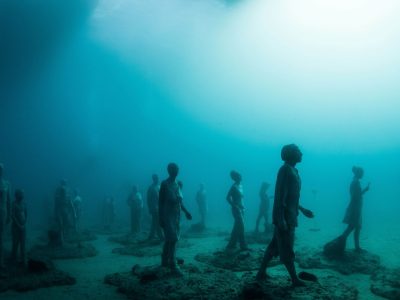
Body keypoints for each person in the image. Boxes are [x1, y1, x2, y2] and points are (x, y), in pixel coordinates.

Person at [256, 144, 314, 287]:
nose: (301, 153)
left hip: (290, 215)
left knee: (274, 245)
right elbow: (280, 196)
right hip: (285, 218)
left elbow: (291, 197)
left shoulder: (293, 170)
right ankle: (294, 279)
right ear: (291, 154)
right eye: (298, 151)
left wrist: (302, 209)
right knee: (287, 247)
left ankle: (261, 272)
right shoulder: (285, 170)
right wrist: (280, 219)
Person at [159, 163, 192, 275]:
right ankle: (173, 265)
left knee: (170, 239)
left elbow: (179, 201)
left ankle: (164, 261)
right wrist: (160, 218)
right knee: (172, 239)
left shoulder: (177, 184)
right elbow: (160, 202)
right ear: (169, 170)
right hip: (167, 215)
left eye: (177, 169)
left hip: (176, 216)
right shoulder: (164, 184)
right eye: (173, 169)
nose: (175, 171)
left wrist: (186, 212)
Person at [341, 166, 370, 251]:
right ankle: (340, 243)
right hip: (355, 208)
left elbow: (356, 195)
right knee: (352, 226)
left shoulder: (355, 182)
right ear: (358, 173)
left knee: (357, 227)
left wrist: (363, 190)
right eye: (362, 173)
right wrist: (365, 190)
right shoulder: (355, 182)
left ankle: (357, 247)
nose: (363, 174)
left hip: (357, 207)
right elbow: (355, 196)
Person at [226, 170, 248, 251]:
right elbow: (227, 197)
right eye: (238, 175)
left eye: (240, 175)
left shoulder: (241, 186)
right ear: (234, 178)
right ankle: (243, 246)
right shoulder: (234, 187)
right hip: (236, 210)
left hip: (242, 209)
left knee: (237, 227)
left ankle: (231, 244)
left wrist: (242, 207)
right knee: (241, 227)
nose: (240, 176)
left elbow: (241, 199)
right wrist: (234, 205)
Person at [11, 189, 27, 265]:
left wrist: (24, 224)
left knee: (23, 243)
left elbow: (26, 214)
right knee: (15, 243)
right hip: (16, 227)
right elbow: (13, 216)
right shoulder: (14, 204)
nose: (22, 196)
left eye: (23, 194)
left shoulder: (24, 204)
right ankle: (13, 259)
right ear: (17, 195)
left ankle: (23, 259)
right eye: (21, 194)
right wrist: (19, 225)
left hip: (23, 227)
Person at [0, 163, 11, 269]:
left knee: (1, 237)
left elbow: (9, 200)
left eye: (1, 169)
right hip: (3, 211)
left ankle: (1, 261)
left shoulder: (6, 184)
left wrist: (9, 215)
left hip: (3, 212)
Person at [147, 174, 163, 240]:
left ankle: (151, 235)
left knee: (154, 221)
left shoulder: (159, 186)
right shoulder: (151, 188)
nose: (157, 179)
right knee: (157, 221)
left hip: (160, 207)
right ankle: (161, 236)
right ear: (153, 179)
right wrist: (150, 208)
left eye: (158, 178)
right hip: (154, 207)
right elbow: (148, 199)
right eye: (156, 178)